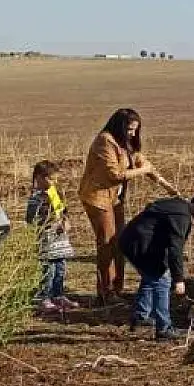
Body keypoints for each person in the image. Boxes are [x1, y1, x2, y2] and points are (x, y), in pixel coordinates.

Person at [78, 108, 172, 302]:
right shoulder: (105, 141)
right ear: (119, 126)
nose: (133, 134)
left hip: (115, 199)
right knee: (107, 243)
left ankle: (117, 288)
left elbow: (142, 162)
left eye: (135, 130)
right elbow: (116, 175)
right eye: (130, 129)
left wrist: (164, 184)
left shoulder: (125, 143)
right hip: (98, 197)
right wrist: (142, 170)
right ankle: (106, 291)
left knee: (120, 241)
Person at [119, 189, 194, 340]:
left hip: (133, 240)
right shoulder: (182, 217)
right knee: (162, 280)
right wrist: (179, 279)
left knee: (151, 276)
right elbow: (175, 250)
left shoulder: (180, 206)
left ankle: (141, 317)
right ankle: (164, 328)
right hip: (139, 244)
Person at [26, 160, 78, 313]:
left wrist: (66, 221)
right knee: (48, 269)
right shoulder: (36, 198)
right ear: (40, 178)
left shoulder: (56, 193)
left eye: (55, 179)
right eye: (50, 179)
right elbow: (31, 219)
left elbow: (63, 211)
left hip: (60, 239)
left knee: (60, 267)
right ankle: (44, 298)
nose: (54, 182)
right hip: (46, 238)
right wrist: (48, 221)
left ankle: (58, 294)